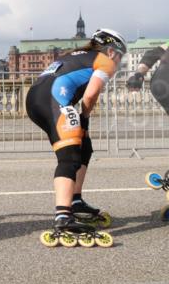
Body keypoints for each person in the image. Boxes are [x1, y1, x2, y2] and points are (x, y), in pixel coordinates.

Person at [26, 28, 127, 243]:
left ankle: (75, 200)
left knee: (84, 146)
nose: (119, 62)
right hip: (55, 101)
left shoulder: (74, 54)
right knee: (70, 157)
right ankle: (63, 215)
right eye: (120, 55)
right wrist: (86, 115)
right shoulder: (105, 61)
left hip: (37, 98)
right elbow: (90, 94)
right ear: (111, 51)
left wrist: (82, 124)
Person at [126, 41, 169, 115]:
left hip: (160, 86)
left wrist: (138, 74)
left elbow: (150, 55)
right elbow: (151, 55)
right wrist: (139, 74)